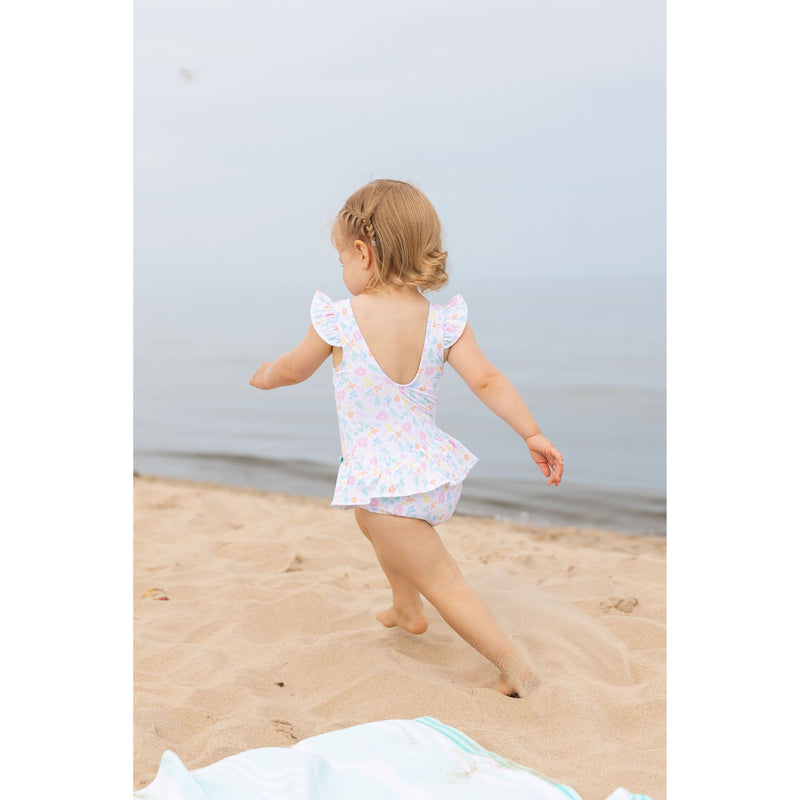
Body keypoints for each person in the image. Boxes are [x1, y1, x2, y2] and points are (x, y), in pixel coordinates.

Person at [250, 179, 563, 697]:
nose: (342, 272)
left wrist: (265, 376)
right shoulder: (443, 321)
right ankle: (405, 607)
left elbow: (292, 368)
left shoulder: (339, 319)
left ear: (362, 253)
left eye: (341, 260)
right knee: (369, 521)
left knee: (444, 579)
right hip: (427, 473)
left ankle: (516, 668)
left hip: (385, 481)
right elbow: (487, 379)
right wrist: (531, 433)